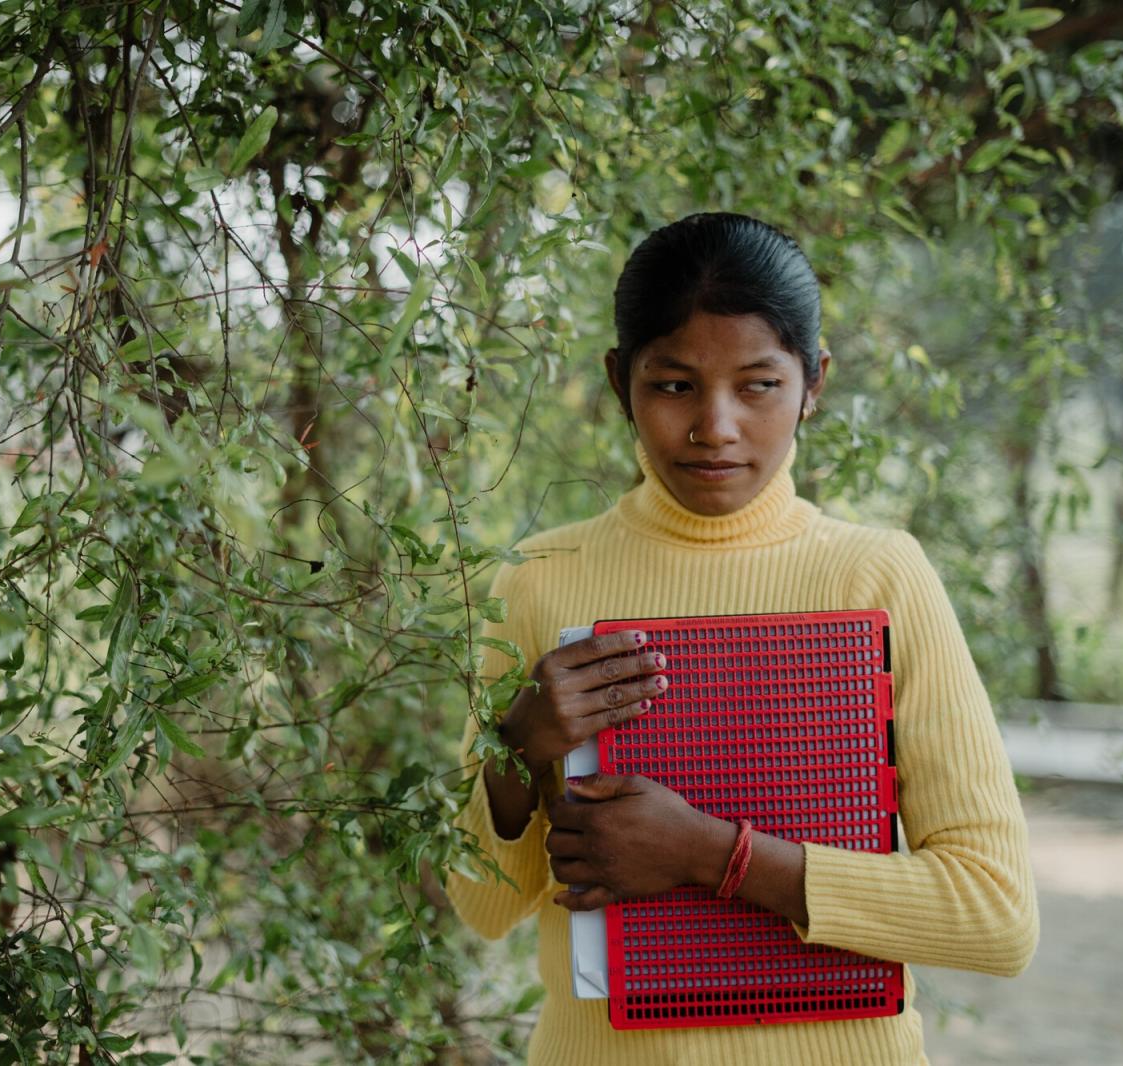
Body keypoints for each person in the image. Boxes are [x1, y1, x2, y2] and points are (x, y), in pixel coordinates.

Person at [444, 211, 1038, 1065]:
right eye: (674, 384)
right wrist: (518, 751)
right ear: (621, 383)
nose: (715, 427)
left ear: (814, 382)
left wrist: (710, 855)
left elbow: (995, 915)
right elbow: (483, 909)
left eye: (757, 385)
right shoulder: (539, 577)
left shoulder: (879, 578)